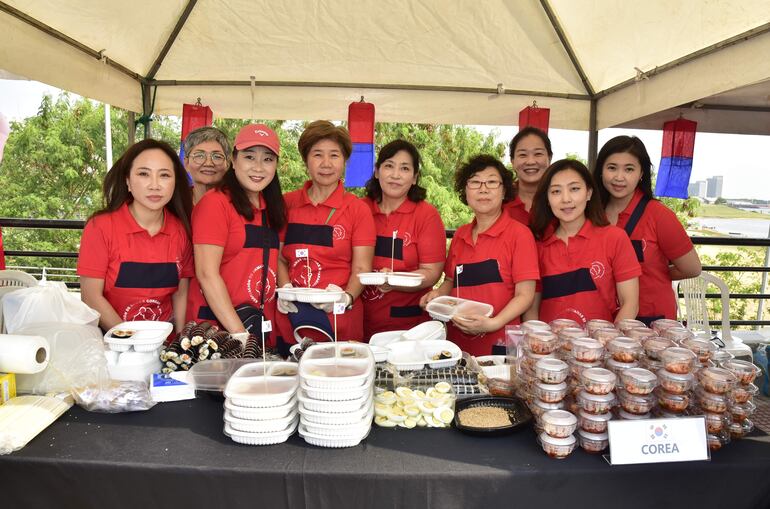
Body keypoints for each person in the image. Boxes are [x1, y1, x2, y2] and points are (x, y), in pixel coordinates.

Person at [420, 155, 539, 356]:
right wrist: (437, 295)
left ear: (504, 191)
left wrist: (493, 323)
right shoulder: (460, 235)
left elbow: (525, 295)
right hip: (457, 343)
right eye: (475, 182)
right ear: (465, 190)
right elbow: (450, 281)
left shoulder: (520, 234)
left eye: (492, 182)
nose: (483, 189)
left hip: (500, 343)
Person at [276, 121, 375, 348]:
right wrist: (285, 289)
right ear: (305, 160)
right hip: (292, 314)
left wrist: (347, 297)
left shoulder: (357, 209)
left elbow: (361, 268)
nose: (326, 164)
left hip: (339, 318)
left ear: (345, 161)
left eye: (334, 155)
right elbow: (280, 257)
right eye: (317, 155)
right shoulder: (286, 203)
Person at [77, 139, 193, 332]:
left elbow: (180, 293)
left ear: (175, 182)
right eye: (144, 174)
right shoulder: (100, 227)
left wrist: (181, 340)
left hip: (164, 345)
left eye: (164, 175)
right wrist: (131, 340)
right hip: (114, 343)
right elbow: (91, 297)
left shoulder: (181, 230)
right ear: (128, 181)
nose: (155, 185)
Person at [186, 124, 286, 341]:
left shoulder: (271, 207)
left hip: (259, 327)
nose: (258, 167)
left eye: (268, 159)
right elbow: (206, 274)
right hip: (218, 332)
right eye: (249, 157)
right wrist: (240, 335)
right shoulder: (216, 203)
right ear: (233, 160)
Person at [593, 136, 701, 324]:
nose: (619, 177)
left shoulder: (659, 215)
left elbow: (692, 268)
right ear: (601, 171)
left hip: (651, 320)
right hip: (604, 318)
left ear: (641, 173)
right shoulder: (592, 214)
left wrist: (657, 272)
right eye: (612, 168)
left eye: (629, 169)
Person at [526, 159, 641, 325]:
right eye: (556, 191)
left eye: (574, 189)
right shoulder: (537, 246)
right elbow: (532, 309)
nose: (566, 199)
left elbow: (630, 304)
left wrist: (610, 344)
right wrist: (540, 344)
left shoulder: (614, 238)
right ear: (547, 198)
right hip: (550, 347)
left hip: (601, 346)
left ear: (588, 193)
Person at [360, 140, 446, 337]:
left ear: (415, 177)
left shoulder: (426, 215)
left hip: (410, 327)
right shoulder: (359, 209)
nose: (395, 175)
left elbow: (432, 272)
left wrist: (394, 281)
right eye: (389, 166)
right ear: (376, 171)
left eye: (405, 168)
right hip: (359, 319)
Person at [504, 127, 553, 225]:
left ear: (549, 158)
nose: (530, 161)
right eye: (523, 155)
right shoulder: (500, 200)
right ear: (512, 161)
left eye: (538, 154)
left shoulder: (562, 199)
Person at [183, 126, 231, 205]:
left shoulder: (238, 204)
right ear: (187, 163)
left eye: (217, 156)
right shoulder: (175, 203)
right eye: (200, 156)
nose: (208, 163)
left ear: (227, 164)